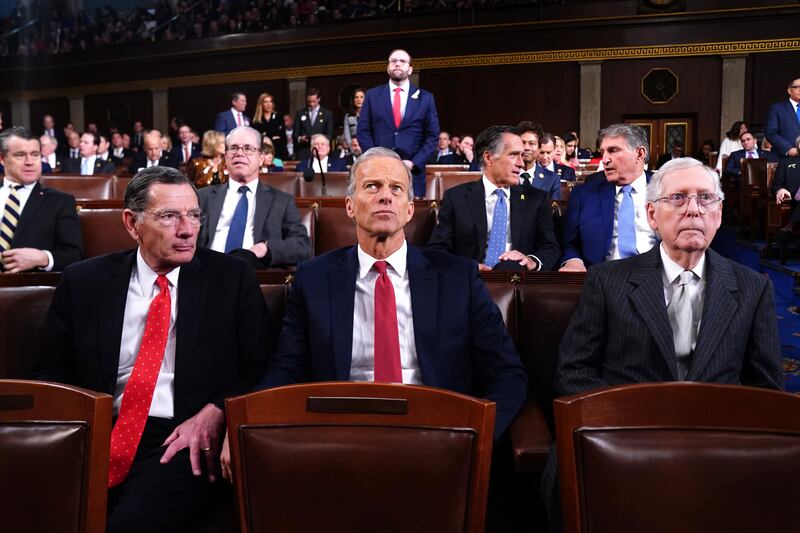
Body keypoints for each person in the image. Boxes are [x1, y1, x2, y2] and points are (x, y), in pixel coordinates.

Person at [218, 146, 528, 480]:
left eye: (396, 189)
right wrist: (244, 420)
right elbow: (287, 368)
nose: (385, 196)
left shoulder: (457, 277)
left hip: (437, 438)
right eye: (372, 186)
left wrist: (476, 434)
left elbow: (508, 373)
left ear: (410, 210)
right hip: (338, 439)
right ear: (349, 206)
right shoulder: (314, 278)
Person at [544, 158, 783, 532]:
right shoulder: (608, 281)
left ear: (719, 214)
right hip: (622, 434)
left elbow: (767, 389)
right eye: (679, 198)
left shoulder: (754, 287)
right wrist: (625, 420)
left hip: (715, 437)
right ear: (652, 215)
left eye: (706, 199)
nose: (693, 209)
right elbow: (573, 371)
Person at [36, 166, 268, 532]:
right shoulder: (84, 281)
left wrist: (217, 411)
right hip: (96, 431)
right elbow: (53, 372)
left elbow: (261, 368)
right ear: (132, 223)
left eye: (193, 215)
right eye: (170, 216)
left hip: (181, 437)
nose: (188, 229)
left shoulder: (231, 278)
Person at [427, 125, 560, 272]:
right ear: (489, 158)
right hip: (470, 281)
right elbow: (438, 249)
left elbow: (550, 247)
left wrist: (531, 261)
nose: (521, 163)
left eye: (522, 156)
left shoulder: (536, 199)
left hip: (517, 280)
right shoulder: (456, 198)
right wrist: (468, 267)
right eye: (514, 155)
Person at [197, 126, 311, 269]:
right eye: (233, 148)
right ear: (225, 157)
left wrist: (265, 248)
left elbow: (302, 247)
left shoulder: (282, 201)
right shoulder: (203, 198)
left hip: (254, 275)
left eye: (248, 148)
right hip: (207, 274)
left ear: (261, 158)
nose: (239, 153)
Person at [560, 123, 657, 272]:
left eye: (613, 151)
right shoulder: (584, 194)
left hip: (654, 276)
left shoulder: (664, 189)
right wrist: (574, 260)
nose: (604, 160)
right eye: (603, 152)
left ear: (639, 154)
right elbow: (569, 243)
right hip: (603, 278)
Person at [357, 48, 440, 198]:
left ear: (410, 69)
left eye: (402, 61)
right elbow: (363, 131)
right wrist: (377, 158)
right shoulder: (372, 95)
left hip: (412, 173)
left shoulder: (426, 98)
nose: (397, 64)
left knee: (411, 217)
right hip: (378, 171)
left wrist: (414, 162)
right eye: (393, 61)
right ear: (387, 67)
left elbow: (432, 136)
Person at [0, 127, 82, 272]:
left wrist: (44, 258)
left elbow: (75, 256)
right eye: (20, 155)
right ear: (2, 159)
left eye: (35, 154)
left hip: (29, 288)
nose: (29, 162)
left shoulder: (60, 202)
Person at [292, 88, 334, 161]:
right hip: (304, 150)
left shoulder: (327, 114)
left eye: (314, 101)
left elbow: (330, 135)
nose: (311, 104)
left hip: (320, 151)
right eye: (309, 101)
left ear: (319, 99)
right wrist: (300, 139)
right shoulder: (300, 113)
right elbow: (295, 134)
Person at [766, 77, 800, 158]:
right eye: (797, 87)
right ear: (789, 91)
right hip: (786, 158)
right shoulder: (777, 109)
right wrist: (788, 149)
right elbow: (771, 133)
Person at [772, 134, 800, 229]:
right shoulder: (786, 162)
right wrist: (780, 190)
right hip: (793, 199)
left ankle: (791, 226)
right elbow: (776, 184)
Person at [251, 92, 287, 159]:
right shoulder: (256, 121)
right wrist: (274, 134)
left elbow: (282, 134)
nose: (269, 104)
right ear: (261, 104)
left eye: (270, 102)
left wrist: (266, 133)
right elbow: (258, 137)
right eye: (266, 102)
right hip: (264, 152)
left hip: (280, 151)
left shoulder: (278, 117)